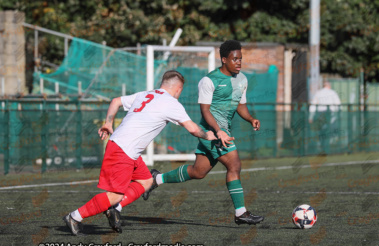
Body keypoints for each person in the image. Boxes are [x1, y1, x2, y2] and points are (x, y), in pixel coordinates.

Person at [63, 70, 217, 235]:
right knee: (115, 195)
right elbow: (193, 128)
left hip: (124, 147)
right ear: (178, 89)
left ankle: (115, 208)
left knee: (146, 181)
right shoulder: (171, 103)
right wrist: (208, 135)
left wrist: (108, 123)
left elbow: (115, 101)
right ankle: (75, 216)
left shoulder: (146, 94)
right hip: (123, 150)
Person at [141, 40, 264, 225]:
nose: (239, 62)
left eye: (240, 59)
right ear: (224, 59)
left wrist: (250, 118)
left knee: (198, 172)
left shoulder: (242, 79)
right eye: (234, 59)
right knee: (234, 165)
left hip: (222, 132)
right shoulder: (209, 80)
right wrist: (218, 131)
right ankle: (241, 213)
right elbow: (205, 111)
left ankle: (156, 178)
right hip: (211, 132)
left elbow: (241, 105)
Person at [309, 81, 341, 153]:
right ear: (329, 86)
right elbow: (338, 104)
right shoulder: (333, 93)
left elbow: (313, 105)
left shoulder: (318, 93)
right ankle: (328, 147)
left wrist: (311, 116)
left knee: (322, 130)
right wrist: (338, 114)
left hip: (320, 114)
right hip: (330, 114)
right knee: (329, 130)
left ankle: (322, 146)